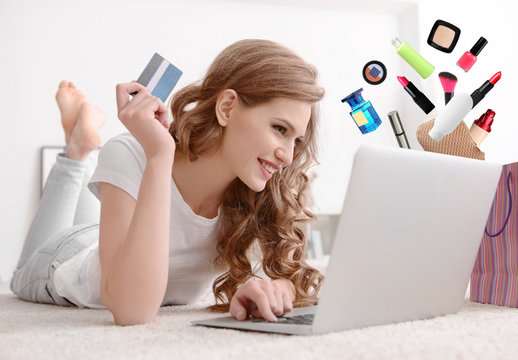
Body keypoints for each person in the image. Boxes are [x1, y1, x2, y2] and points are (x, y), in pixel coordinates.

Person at [11, 39, 325, 326]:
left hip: (110, 240)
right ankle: (77, 152)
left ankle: (79, 143)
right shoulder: (135, 153)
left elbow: (294, 278)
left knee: (101, 231)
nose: (287, 156)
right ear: (227, 107)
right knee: (19, 275)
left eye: (296, 140)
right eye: (280, 129)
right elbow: (131, 311)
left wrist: (274, 289)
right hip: (64, 261)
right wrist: (160, 157)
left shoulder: (258, 189)